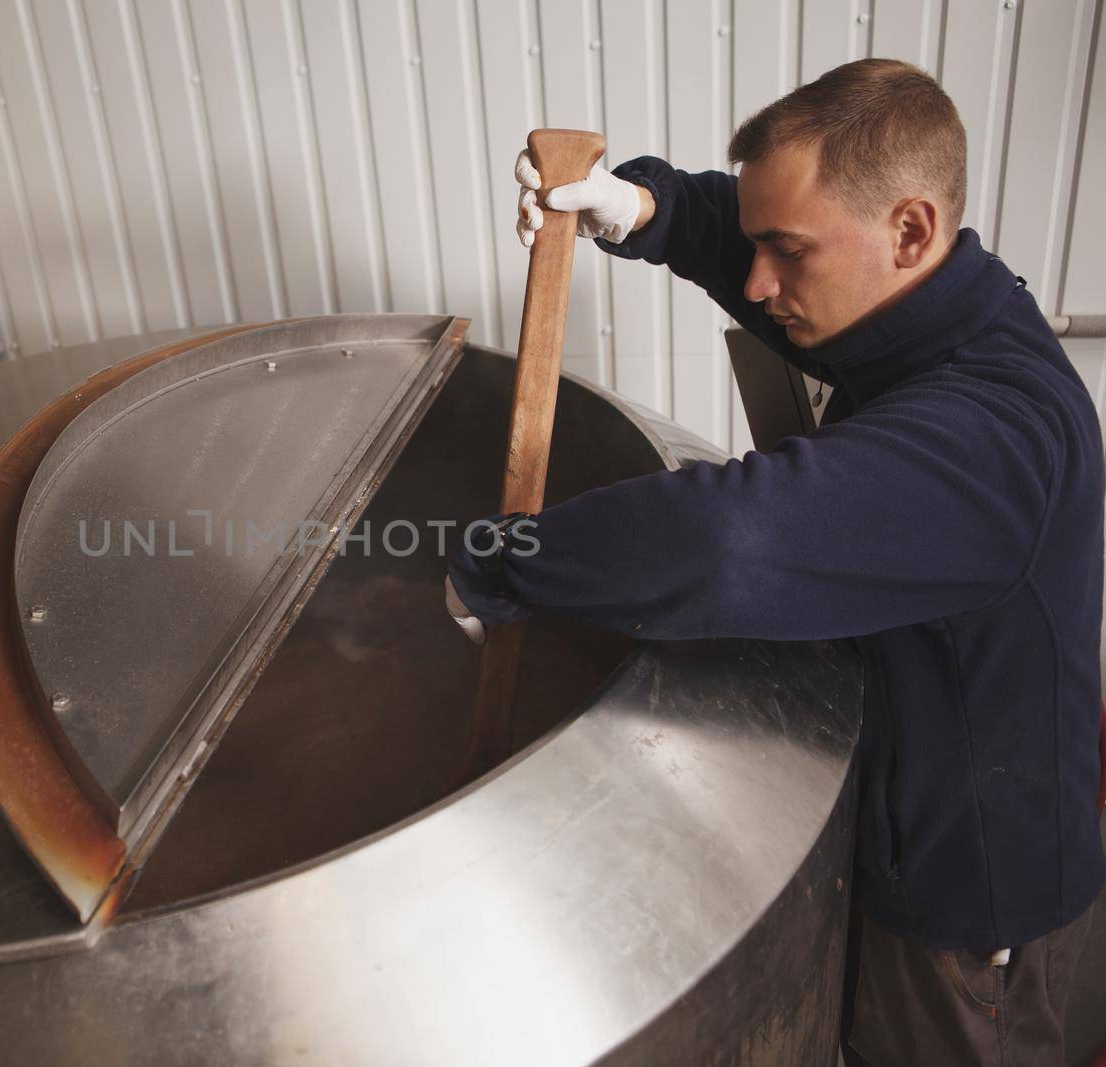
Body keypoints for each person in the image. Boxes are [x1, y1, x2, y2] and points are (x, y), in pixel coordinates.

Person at [444, 58, 1103, 1065]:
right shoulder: (925, 305)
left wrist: (503, 559)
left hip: (969, 913)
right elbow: (740, 226)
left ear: (909, 230)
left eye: (787, 252)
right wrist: (643, 204)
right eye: (757, 243)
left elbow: (722, 541)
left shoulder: (991, 431)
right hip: (903, 810)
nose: (757, 284)